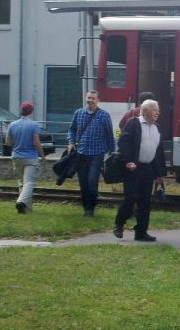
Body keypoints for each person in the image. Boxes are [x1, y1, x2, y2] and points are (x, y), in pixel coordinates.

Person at [113, 99, 166, 242]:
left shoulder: (157, 128)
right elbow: (123, 142)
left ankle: (141, 232)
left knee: (145, 201)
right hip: (133, 168)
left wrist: (160, 174)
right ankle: (119, 223)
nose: (158, 112)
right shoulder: (133, 123)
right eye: (155, 109)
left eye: (158, 110)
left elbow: (158, 152)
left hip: (148, 168)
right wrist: (129, 161)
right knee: (131, 198)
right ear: (146, 110)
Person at [67, 90, 115, 216]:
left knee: (92, 181)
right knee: (83, 182)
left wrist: (112, 151)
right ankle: (86, 208)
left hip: (97, 153)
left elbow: (109, 134)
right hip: (81, 152)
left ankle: (91, 208)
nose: (90, 100)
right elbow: (71, 130)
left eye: (93, 98)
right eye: (88, 98)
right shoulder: (79, 113)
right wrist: (71, 142)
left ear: (98, 100)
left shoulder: (104, 115)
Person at [5, 101, 45, 213]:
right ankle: (21, 202)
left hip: (16, 156)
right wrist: (43, 156)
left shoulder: (12, 125)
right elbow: (36, 142)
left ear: (21, 111)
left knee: (21, 182)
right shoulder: (34, 125)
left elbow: (7, 142)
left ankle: (26, 209)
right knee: (30, 182)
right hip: (31, 157)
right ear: (31, 112)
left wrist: (18, 143)